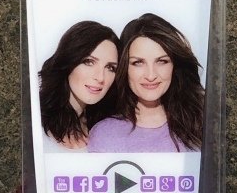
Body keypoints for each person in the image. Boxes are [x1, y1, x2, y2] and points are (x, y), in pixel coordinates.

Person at [87, 14, 203, 153]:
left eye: (162, 61)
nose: (151, 75)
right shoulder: (104, 135)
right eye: (138, 62)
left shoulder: (202, 124)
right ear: (124, 67)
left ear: (174, 66)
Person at [38, 21, 120, 151]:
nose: (100, 77)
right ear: (69, 60)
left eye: (110, 67)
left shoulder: (108, 129)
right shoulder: (35, 120)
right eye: (89, 62)